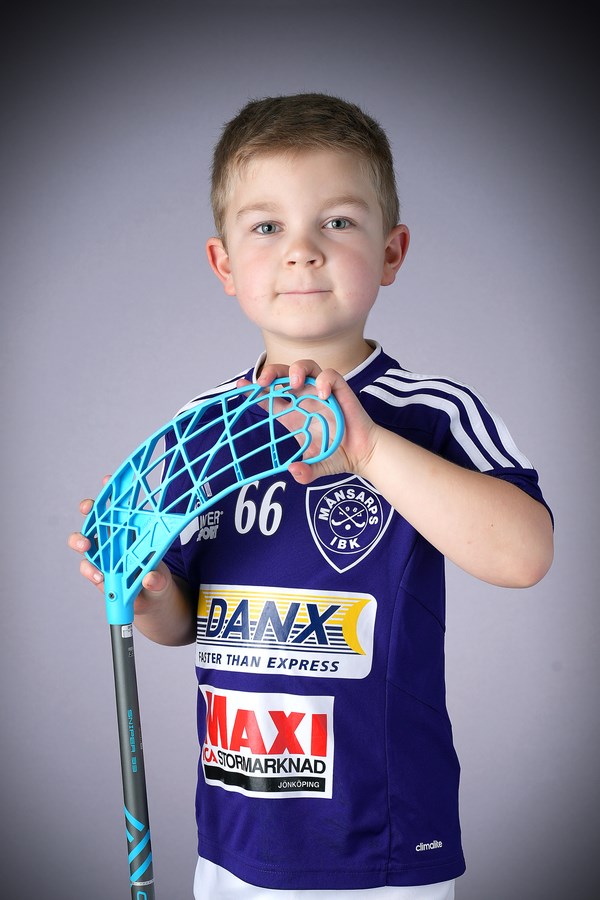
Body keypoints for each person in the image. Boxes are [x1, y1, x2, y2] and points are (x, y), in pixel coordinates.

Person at [69, 93, 554, 899]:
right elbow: (181, 621)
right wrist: (148, 594)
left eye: (337, 222)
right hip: (234, 837)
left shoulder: (429, 413)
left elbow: (524, 553)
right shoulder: (198, 431)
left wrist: (368, 451)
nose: (302, 252)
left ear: (391, 251)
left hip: (379, 847)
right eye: (267, 227)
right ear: (224, 265)